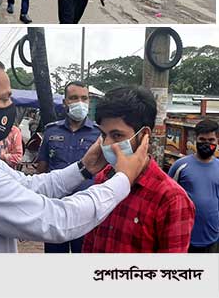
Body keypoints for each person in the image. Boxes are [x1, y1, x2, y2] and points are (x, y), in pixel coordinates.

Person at [0, 52, 149, 253]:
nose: (10, 106)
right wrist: (123, 180)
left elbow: (29, 186)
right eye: (4, 99)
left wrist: (83, 168)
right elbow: (57, 220)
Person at [83, 86, 195, 253]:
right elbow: (90, 244)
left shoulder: (171, 199)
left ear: (144, 136)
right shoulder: (103, 179)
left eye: (117, 135)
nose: (106, 144)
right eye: (103, 135)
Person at [35, 81, 101, 253]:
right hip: (55, 212)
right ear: (65, 102)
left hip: (86, 213)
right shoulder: (51, 132)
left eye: (84, 98)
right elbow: (41, 170)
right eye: (73, 98)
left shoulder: (99, 134)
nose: (80, 102)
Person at [168, 119, 219, 253]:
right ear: (195, 140)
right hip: (183, 236)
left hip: (212, 236)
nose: (206, 144)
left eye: (211, 140)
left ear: (217, 141)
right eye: (202, 139)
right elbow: (167, 197)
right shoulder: (180, 166)